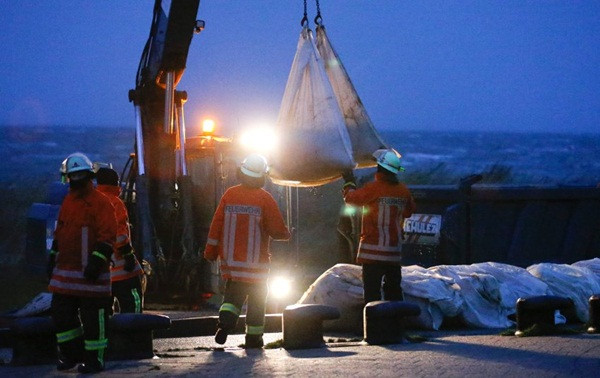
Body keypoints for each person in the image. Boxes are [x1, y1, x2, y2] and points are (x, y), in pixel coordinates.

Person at [203, 153, 290, 348]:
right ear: (262, 176)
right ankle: (253, 338)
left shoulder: (229, 195)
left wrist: (210, 252)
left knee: (232, 299)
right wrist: (287, 234)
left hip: (232, 265)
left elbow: (215, 227)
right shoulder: (265, 199)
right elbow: (277, 230)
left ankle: (224, 325)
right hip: (257, 267)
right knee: (258, 303)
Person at [47, 152, 117, 373]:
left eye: (79, 176)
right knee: (61, 316)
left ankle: (95, 359)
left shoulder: (102, 203)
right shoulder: (68, 201)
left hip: (92, 277)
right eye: (72, 177)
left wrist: (96, 264)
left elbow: (108, 237)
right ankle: (71, 355)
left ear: (89, 176)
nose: (75, 181)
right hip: (65, 275)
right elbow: (61, 232)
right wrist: (52, 258)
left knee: (94, 321)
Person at [341, 149, 416, 305]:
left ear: (380, 169)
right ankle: (396, 325)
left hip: (372, 253)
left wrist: (349, 182)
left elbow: (351, 198)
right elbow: (409, 212)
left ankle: (373, 327)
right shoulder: (403, 191)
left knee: (372, 295)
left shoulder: (373, 188)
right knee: (394, 292)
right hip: (393, 254)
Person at [95, 166, 144, 314]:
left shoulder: (92, 203)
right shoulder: (115, 203)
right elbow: (119, 232)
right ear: (115, 183)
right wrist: (128, 255)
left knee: (103, 310)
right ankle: (134, 335)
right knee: (133, 303)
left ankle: (109, 335)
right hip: (121, 270)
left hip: (99, 271)